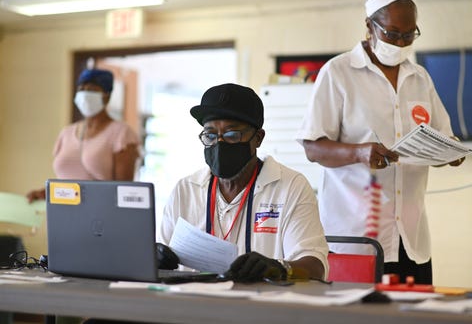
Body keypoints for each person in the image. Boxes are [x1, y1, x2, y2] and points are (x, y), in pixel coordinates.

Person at [297, 0, 465, 285]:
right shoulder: (338, 73)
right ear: (369, 26)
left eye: (409, 34)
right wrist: (358, 153)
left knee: (416, 316)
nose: (400, 42)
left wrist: (448, 154)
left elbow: (444, 135)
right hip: (357, 238)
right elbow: (313, 147)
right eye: (392, 33)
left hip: (410, 239)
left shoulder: (420, 78)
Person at [157, 83, 328, 282]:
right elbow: (161, 255)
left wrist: (279, 268)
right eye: (210, 135)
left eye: (232, 135)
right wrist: (156, 257)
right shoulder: (186, 190)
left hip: (262, 307)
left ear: (258, 138)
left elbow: (315, 266)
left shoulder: (290, 187)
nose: (219, 144)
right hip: (196, 305)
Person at [27, 68, 140, 202]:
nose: (85, 93)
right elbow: (66, 184)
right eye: (81, 89)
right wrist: (45, 193)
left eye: (92, 89)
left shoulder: (121, 133)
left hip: (100, 217)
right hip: (64, 214)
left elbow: (124, 192)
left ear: (107, 95)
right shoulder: (66, 133)